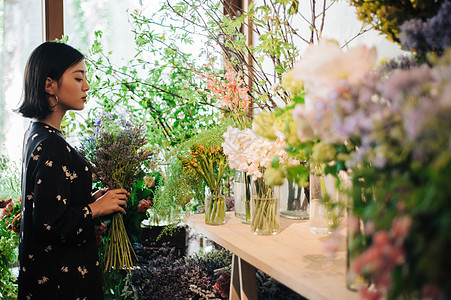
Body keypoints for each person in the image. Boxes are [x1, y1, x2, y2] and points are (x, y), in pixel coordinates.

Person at [16, 41, 128, 299]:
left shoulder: (36, 135)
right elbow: (49, 225)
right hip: (61, 284)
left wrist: (88, 201)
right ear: (49, 85)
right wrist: (96, 209)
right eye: (79, 78)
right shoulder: (51, 145)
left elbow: (49, 204)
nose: (86, 86)